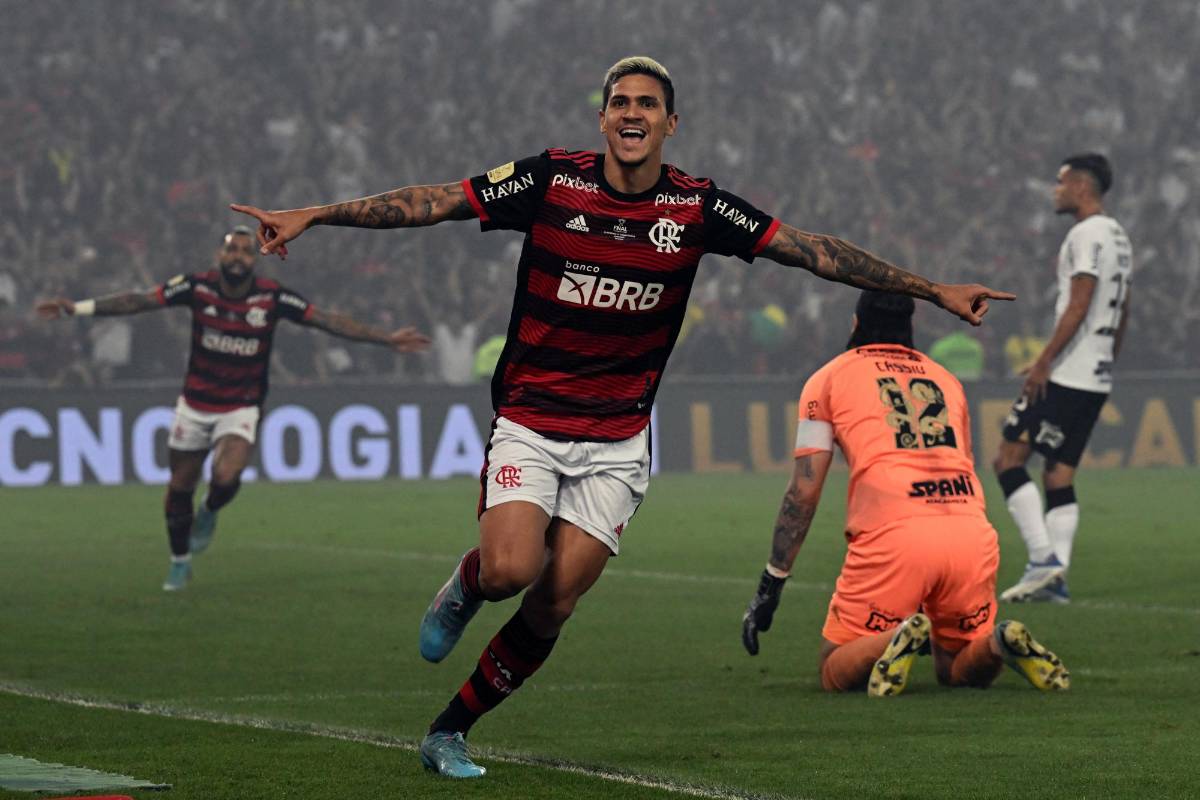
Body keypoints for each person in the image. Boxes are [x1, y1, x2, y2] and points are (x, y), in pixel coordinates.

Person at [231, 56, 1014, 778]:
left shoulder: (698, 207)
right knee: (510, 570)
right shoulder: (549, 182)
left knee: (555, 600)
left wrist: (931, 289)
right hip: (534, 419)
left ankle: (449, 731)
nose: (631, 112)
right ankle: (466, 587)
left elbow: (814, 251)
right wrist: (318, 213)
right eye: (619, 102)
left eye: (647, 104)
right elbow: (432, 201)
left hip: (617, 442)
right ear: (602, 118)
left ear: (672, 124)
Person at [36, 225, 429, 591]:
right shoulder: (196, 288)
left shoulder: (272, 297)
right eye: (232, 249)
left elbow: (327, 320)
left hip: (240, 406)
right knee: (179, 486)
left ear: (254, 261)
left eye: (245, 250)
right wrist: (78, 308)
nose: (238, 255)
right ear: (220, 256)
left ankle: (209, 509)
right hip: (195, 404)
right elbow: (138, 300)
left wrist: (386, 339)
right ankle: (179, 559)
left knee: (226, 477)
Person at [741, 291, 1069, 696]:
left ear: (856, 325)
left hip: (894, 537)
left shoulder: (827, 379)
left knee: (832, 667)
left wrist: (772, 582)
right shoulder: (946, 379)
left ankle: (893, 639)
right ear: (910, 328)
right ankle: (1000, 643)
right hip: (970, 532)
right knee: (955, 668)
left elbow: (803, 492)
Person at [993, 154, 1133, 604]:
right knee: (1059, 473)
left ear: (1081, 186)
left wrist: (1044, 362)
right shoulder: (1118, 236)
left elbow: (1080, 302)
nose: (1055, 189)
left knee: (1008, 460)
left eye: (1060, 181)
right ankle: (1056, 582)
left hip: (1069, 374)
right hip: (1095, 375)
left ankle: (1042, 560)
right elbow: (1123, 307)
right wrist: (1105, 358)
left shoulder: (1086, 234)